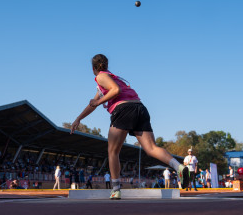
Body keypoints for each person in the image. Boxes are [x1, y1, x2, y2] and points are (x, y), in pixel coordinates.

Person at [70, 54, 189, 199]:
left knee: (113, 151)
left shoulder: (101, 77)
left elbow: (115, 91)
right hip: (140, 108)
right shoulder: (113, 78)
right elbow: (93, 104)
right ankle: (179, 167)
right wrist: (79, 118)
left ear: (94, 68)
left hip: (124, 109)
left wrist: (99, 101)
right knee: (151, 148)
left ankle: (116, 189)